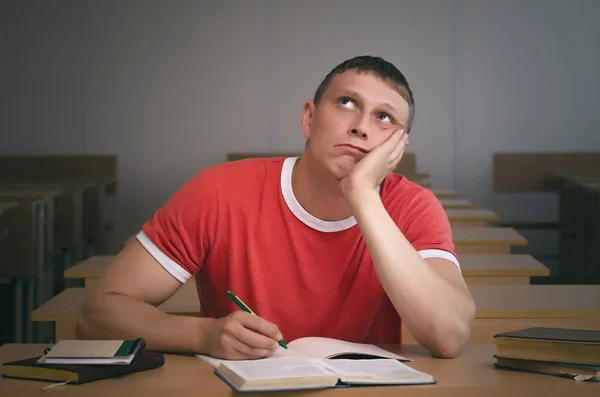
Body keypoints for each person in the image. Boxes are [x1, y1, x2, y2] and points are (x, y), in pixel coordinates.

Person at [77, 55, 476, 360]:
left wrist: (362, 194)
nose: (361, 127)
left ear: (398, 148)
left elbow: (450, 335)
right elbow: (96, 314)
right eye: (347, 103)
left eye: (384, 117)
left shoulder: (414, 207)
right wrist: (204, 335)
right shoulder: (218, 191)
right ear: (308, 118)